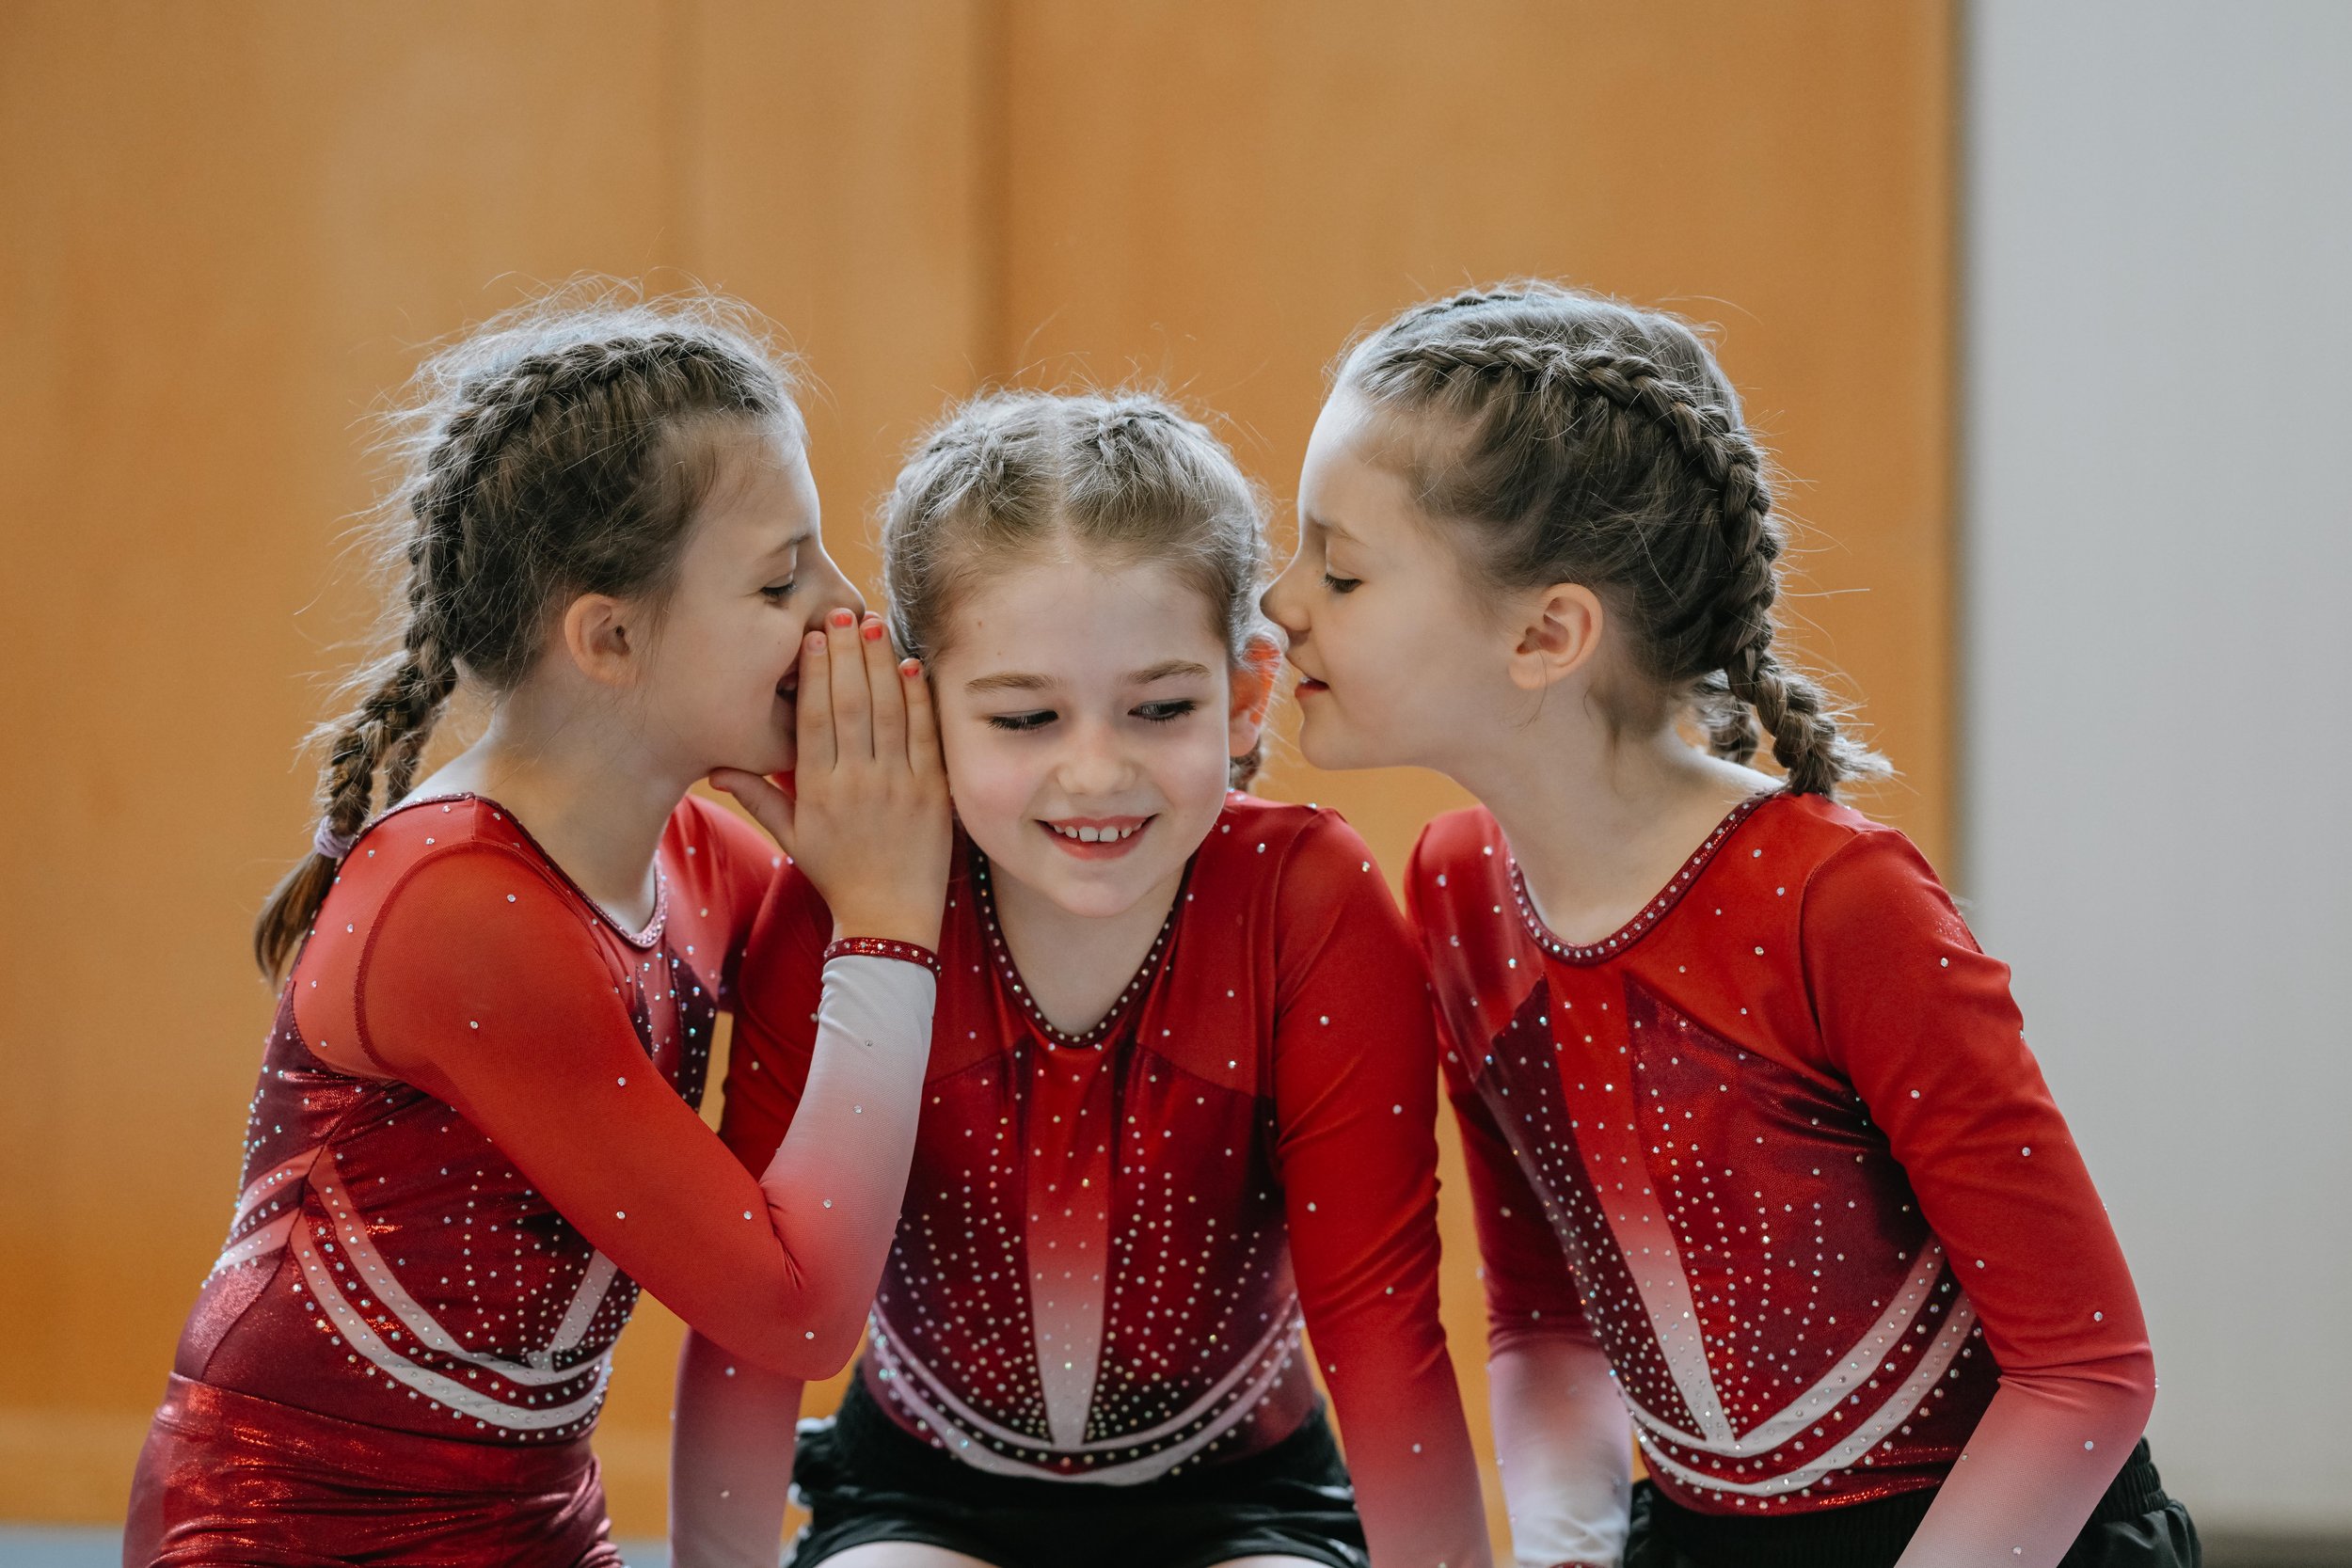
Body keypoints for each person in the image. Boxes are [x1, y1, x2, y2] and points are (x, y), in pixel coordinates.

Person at [1261, 283, 2197, 1568]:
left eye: (1342, 567)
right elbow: (1541, 1314)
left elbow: (2087, 1374)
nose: (1280, 599)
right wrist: (1572, 1547)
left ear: (1548, 633)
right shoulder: (1460, 888)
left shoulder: (1835, 901)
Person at [125, 291, 951, 1566]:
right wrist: (887, 915)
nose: (845, 610)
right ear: (609, 635)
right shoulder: (463, 907)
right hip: (296, 1530)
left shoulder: (688, 849)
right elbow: (797, 1313)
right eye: (784, 576)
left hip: (529, 1517)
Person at [671, 389, 1492, 1568]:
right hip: (919, 1495)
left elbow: (1378, 1319)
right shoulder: (839, 906)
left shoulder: (1309, 902)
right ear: (919, 707)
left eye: (1160, 707)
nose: (1095, 770)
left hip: (1250, 1494)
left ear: (1247, 694)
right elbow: (755, 1309)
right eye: (1022, 717)